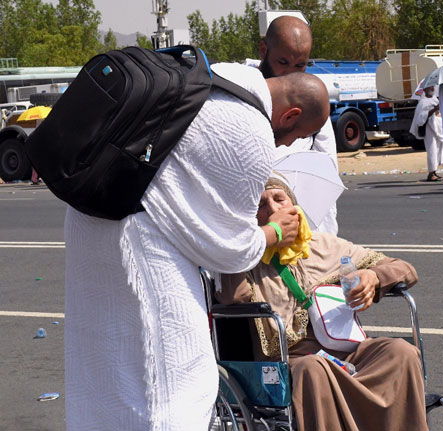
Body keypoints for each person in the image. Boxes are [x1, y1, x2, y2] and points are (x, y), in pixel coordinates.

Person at [64, 63, 330, 430]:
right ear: (291, 115)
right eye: (295, 136)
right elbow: (230, 249)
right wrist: (272, 233)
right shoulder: (249, 131)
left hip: (88, 221)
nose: (286, 144)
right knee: (173, 385)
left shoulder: (214, 76)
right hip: (141, 248)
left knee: (103, 370)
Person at [218, 175, 427, 431]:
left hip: (345, 348)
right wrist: (259, 240)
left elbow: (406, 270)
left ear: (294, 206)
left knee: (399, 352)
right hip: (291, 358)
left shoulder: (325, 244)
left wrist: (373, 277)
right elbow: (232, 297)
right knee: (312, 369)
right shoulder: (247, 258)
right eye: (261, 205)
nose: (273, 209)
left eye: (279, 199)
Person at [246, 15, 339, 234]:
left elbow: (324, 181)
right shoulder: (241, 97)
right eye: (283, 63)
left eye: (300, 65)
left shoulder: (313, 105)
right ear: (263, 51)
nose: (290, 74)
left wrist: (323, 241)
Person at [410, 85, 443, 181]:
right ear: (424, 89)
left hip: (437, 128)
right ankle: (431, 173)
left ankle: (434, 172)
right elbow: (421, 118)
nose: (432, 89)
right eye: (430, 87)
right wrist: (434, 110)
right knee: (431, 150)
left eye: (433, 87)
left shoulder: (435, 99)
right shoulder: (423, 102)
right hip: (428, 129)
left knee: (437, 149)